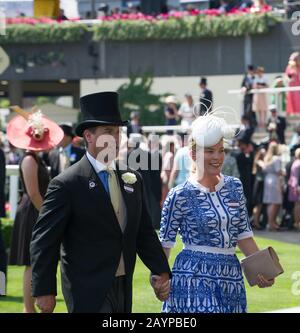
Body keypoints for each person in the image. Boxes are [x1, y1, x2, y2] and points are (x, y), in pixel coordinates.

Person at [30, 92, 171, 313]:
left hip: (123, 286)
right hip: (86, 288)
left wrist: (161, 270)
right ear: (88, 136)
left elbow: (143, 232)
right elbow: (44, 240)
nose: (115, 138)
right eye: (108, 132)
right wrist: (43, 289)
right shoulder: (66, 184)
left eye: (118, 132)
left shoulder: (133, 179)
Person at [160, 114, 275, 313]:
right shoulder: (179, 194)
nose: (217, 157)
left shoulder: (234, 186)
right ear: (194, 154)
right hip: (192, 277)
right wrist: (159, 279)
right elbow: (165, 244)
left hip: (231, 276)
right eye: (210, 151)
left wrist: (263, 271)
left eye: (221, 150)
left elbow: (243, 234)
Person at [7, 106, 64, 313]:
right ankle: (28, 309)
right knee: (32, 263)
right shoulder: (30, 160)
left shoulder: (36, 159)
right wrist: (46, 215)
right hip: (33, 212)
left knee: (35, 262)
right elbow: (33, 194)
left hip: (34, 211)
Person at [262, 142, 283, 231]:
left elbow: (264, 170)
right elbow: (278, 171)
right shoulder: (276, 158)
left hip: (268, 179)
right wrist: (283, 172)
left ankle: (270, 223)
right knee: (275, 202)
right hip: (274, 179)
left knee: (270, 202)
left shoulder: (267, 158)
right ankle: (271, 223)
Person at [251, 146, 266, 230]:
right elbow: (264, 166)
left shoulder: (257, 160)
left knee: (258, 204)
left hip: (259, 183)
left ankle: (255, 221)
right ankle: (255, 222)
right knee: (258, 204)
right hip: (259, 183)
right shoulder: (259, 161)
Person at [288, 148, 300, 230]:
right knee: (298, 205)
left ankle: (296, 222)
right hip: (297, 187)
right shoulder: (298, 163)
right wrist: (297, 187)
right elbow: (296, 177)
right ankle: (297, 223)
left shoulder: (295, 162)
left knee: (297, 205)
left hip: (293, 186)